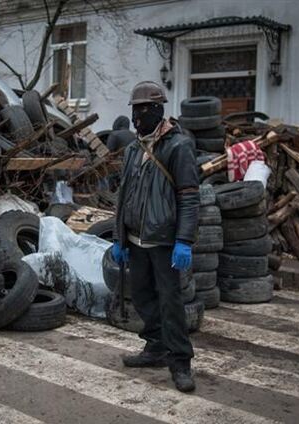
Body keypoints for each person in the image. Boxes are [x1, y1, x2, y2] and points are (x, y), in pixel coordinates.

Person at [112, 81, 199, 393]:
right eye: (134, 110)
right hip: (136, 240)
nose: (137, 117)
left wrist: (184, 241)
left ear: (158, 110)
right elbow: (123, 196)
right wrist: (119, 238)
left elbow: (189, 197)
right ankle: (154, 348)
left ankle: (180, 363)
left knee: (170, 303)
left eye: (143, 110)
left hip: (163, 242)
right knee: (143, 297)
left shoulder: (179, 146)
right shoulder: (134, 149)